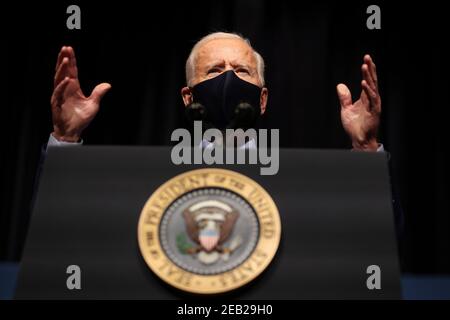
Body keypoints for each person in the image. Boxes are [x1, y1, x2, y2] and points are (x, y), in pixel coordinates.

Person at [48, 32, 383, 152]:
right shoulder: (150, 170)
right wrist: (64, 140)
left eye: (240, 71)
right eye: (214, 71)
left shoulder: (298, 176)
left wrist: (365, 149)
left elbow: (375, 239)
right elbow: (62, 229)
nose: (228, 80)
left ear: (262, 99)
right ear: (188, 97)